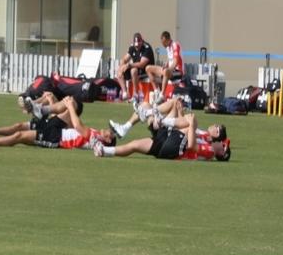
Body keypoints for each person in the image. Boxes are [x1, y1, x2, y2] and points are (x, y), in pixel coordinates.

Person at [0, 95, 115, 149]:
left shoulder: (96, 139)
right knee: (75, 102)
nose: (108, 130)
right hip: (59, 131)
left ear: (107, 140)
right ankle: (40, 109)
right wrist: (70, 105)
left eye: (110, 132)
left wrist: (70, 107)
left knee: (19, 136)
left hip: (56, 138)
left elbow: (77, 126)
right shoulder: (96, 134)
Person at [94, 112, 230, 161]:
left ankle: (159, 118)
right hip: (172, 142)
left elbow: (191, 146)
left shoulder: (210, 151)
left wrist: (192, 126)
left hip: (176, 148)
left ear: (222, 153)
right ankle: (104, 151)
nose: (222, 143)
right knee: (135, 145)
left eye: (224, 146)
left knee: (190, 123)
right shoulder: (207, 141)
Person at [115, 32, 155, 100]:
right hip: (134, 67)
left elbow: (142, 64)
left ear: (142, 41)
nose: (137, 47)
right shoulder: (132, 47)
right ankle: (125, 93)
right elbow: (125, 59)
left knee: (133, 70)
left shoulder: (147, 48)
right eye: (135, 45)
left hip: (145, 70)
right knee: (119, 70)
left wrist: (129, 65)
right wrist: (122, 65)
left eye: (138, 45)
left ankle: (135, 94)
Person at [145, 30, 183, 100]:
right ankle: (156, 91)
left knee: (165, 71)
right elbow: (170, 59)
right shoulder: (168, 47)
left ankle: (162, 95)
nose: (163, 44)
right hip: (170, 71)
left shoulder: (175, 45)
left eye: (164, 42)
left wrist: (168, 69)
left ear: (168, 39)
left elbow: (176, 61)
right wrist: (166, 65)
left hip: (178, 71)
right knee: (148, 68)